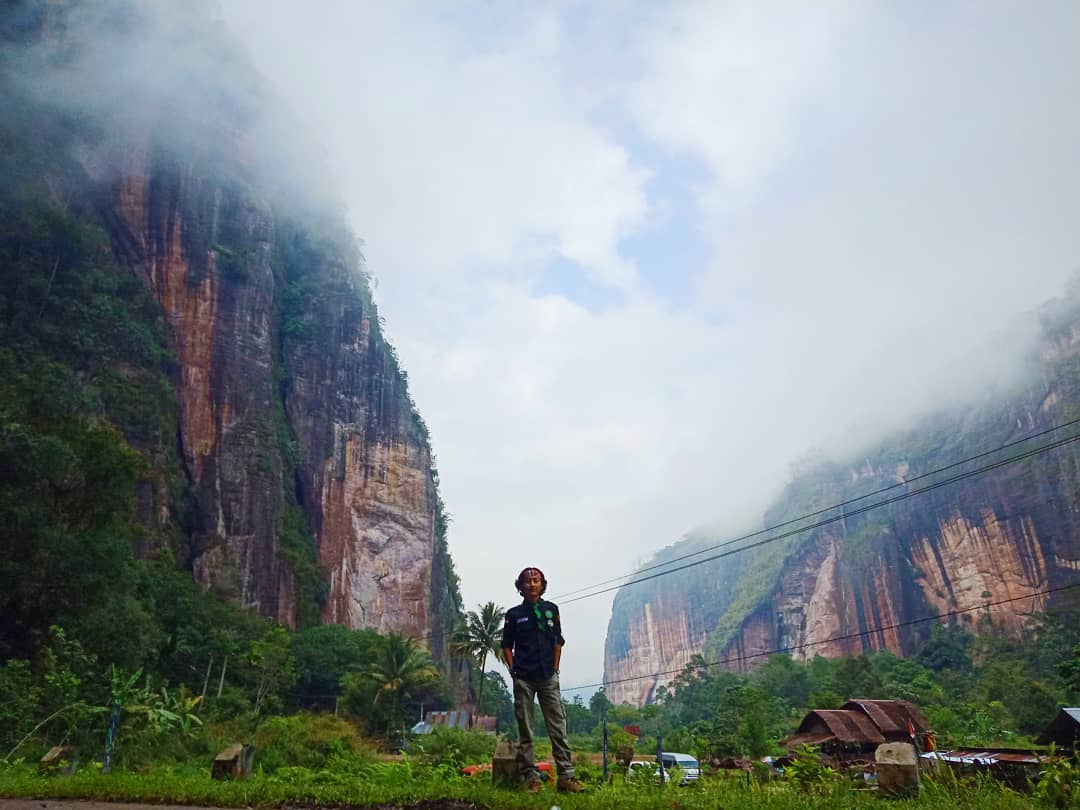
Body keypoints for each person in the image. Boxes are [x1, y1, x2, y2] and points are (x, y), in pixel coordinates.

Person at [500, 566, 583, 794]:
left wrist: (555, 669)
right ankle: (531, 778)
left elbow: (558, 641)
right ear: (521, 586)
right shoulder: (514, 615)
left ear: (542, 584)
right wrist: (513, 670)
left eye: (536, 580)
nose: (532, 584)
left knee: (558, 727)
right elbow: (506, 646)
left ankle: (566, 777)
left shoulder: (551, 610)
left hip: (548, 676)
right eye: (527, 581)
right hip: (524, 678)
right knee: (526, 729)